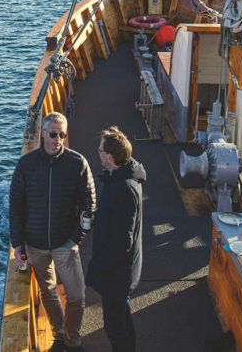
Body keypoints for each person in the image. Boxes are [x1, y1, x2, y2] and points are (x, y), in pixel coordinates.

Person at [9, 112, 96, 352]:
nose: (58, 139)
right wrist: (18, 244)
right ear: (43, 134)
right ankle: (60, 334)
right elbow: (15, 205)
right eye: (54, 134)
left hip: (65, 244)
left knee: (77, 296)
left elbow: (90, 205)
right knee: (48, 292)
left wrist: (76, 238)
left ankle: (73, 341)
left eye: (63, 134)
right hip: (35, 245)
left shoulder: (77, 163)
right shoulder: (26, 165)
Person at [86, 126, 146, 352]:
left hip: (118, 274)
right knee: (122, 316)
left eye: (100, 150)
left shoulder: (123, 189)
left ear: (110, 158)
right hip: (122, 271)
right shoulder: (124, 177)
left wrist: (98, 266)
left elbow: (123, 241)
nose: (98, 153)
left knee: (114, 328)